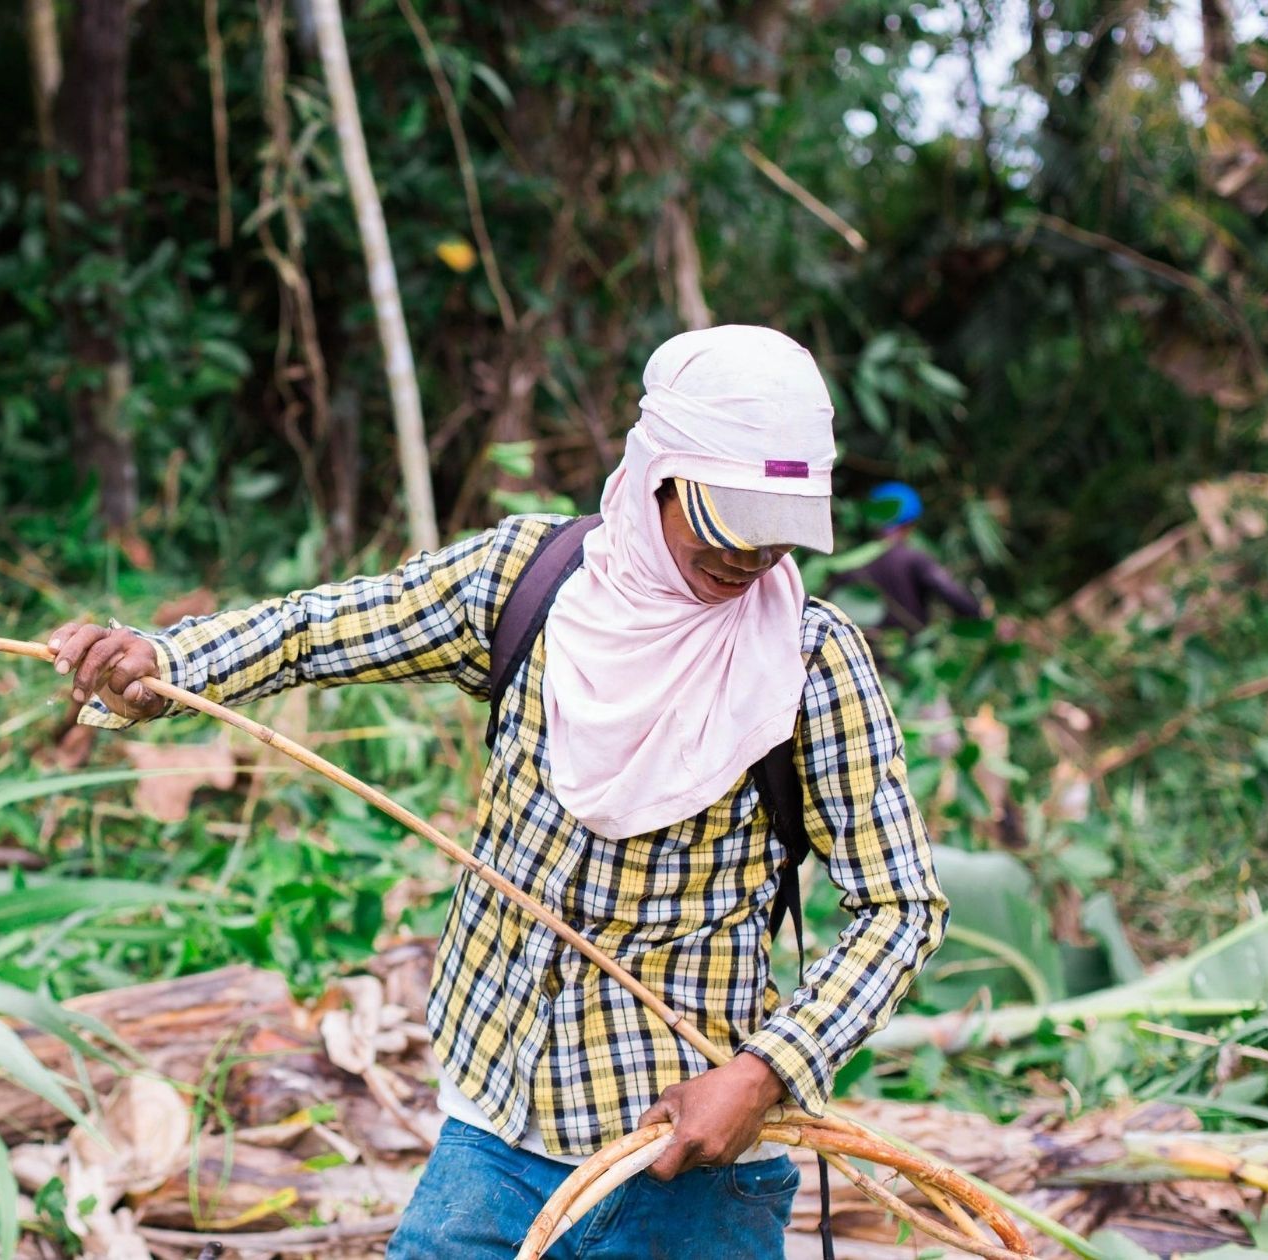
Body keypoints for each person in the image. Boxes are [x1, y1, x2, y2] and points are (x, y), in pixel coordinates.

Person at [49, 326, 948, 1259]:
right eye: (724, 524)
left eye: (775, 537)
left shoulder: (807, 662)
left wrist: (763, 1075)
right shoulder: (532, 582)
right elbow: (324, 628)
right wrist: (169, 660)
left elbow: (901, 907)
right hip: (494, 1131)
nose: (747, 562)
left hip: (685, 1159)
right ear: (656, 478)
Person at [838, 482, 988, 634]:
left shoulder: (849, 563)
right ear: (910, 524)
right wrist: (978, 612)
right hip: (912, 649)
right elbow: (948, 590)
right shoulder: (914, 558)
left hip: (865, 651)